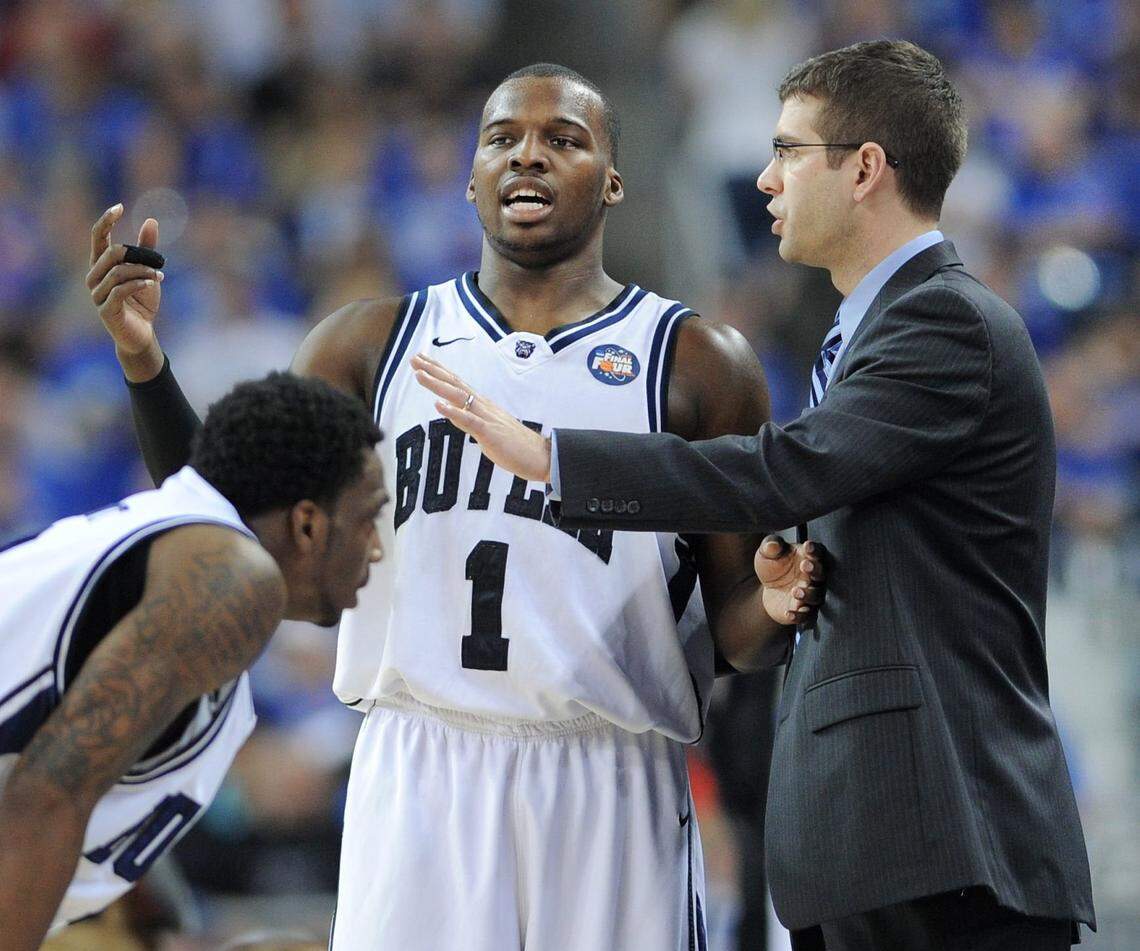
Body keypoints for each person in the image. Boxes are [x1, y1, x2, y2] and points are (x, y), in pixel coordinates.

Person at [91, 63, 825, 950]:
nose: (529, 157)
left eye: (564, 140)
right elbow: (229, 524)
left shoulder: (699, 361)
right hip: (418, 763)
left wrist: (783, 607)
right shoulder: (369, 342)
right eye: (504, 138)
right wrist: (144, 365)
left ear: (614, 181)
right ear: (469, 174)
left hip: (614, 770)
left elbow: (737, 627)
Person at [414, 41, 1096, 951]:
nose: (767, 179)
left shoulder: (947, 321)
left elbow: (785, 468)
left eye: (788, 151)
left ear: (864, 170)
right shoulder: (881, 333)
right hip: (887, 842)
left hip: (942, 841)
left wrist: (554, 459)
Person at [0, 372, 387, 950]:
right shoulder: (233, 581)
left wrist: (145, 364)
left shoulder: (186, 547)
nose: (377, 546)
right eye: (368, 517)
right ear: (307, 523)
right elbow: (43, 800)